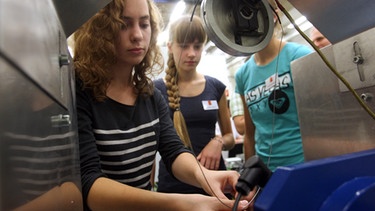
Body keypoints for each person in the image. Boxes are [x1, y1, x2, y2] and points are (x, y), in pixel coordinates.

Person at [73, 0, 250, 210]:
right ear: (100, 29)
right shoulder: (80, 92)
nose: (137, 35)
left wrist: (206, 177)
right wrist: (181, 203)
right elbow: (89, 186)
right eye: (123, 24)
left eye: (144, 24)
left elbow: (173, 150)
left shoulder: (150, 95)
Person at [154, 15, 235, 195]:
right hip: (174, 186)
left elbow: (229, 136)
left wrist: (218, 141)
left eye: (197, 46)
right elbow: (149, 147)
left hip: (214, 183)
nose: (192, 53)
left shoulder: (216, 87)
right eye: (184, 46)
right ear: (170, 47)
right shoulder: (156, 91)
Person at [234, 0, 313, 172]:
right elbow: (249, 133)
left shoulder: (300, 56)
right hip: (265, 173)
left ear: (274, 14)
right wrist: (250, 176)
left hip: (302, 166)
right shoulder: (242, 75)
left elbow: (322, 120)